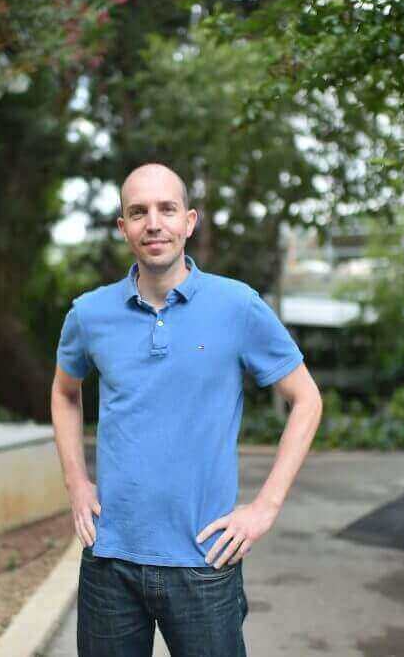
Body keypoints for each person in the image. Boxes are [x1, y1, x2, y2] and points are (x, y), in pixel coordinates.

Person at [50, 162, 323, 656]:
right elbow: (65, 391)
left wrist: (265, 508)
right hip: (110, 559)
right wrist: (75, 480)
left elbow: (307, 399)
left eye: (166, 209)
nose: (153, 223)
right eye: (138, 212)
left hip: (205, 561)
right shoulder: (89, 314)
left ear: (189, 221)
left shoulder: (237, 306)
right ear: (123, 227)